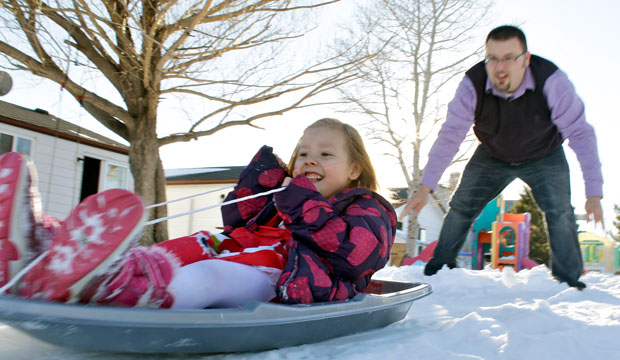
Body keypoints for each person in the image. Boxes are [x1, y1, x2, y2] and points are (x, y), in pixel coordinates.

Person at [0, 118, 396, 308]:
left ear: (355, 169)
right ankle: (45, 253)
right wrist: (258, 188)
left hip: (290, 276)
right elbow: (240, 223)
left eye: (325, 154)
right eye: (303, 154)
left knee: (211, 275)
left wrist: (306, 205)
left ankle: (125, 292)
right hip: (242, 251)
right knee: (169, 253)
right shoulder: (287, 198)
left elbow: (355, 256)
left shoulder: (368, 208)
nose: (310, 161)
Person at [400, 25, 603, 290]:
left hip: (544, 154)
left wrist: (594, 194)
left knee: (559, 211)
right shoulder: (472, 84)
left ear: (526, 59)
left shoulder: (552, 81)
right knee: (461, 207)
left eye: (509, 57)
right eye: (492, 58)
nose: (500, 67)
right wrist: (425, 186)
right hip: (493, 154)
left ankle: (569, 281)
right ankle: (439, 272)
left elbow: (581, 134)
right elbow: (450, 136)